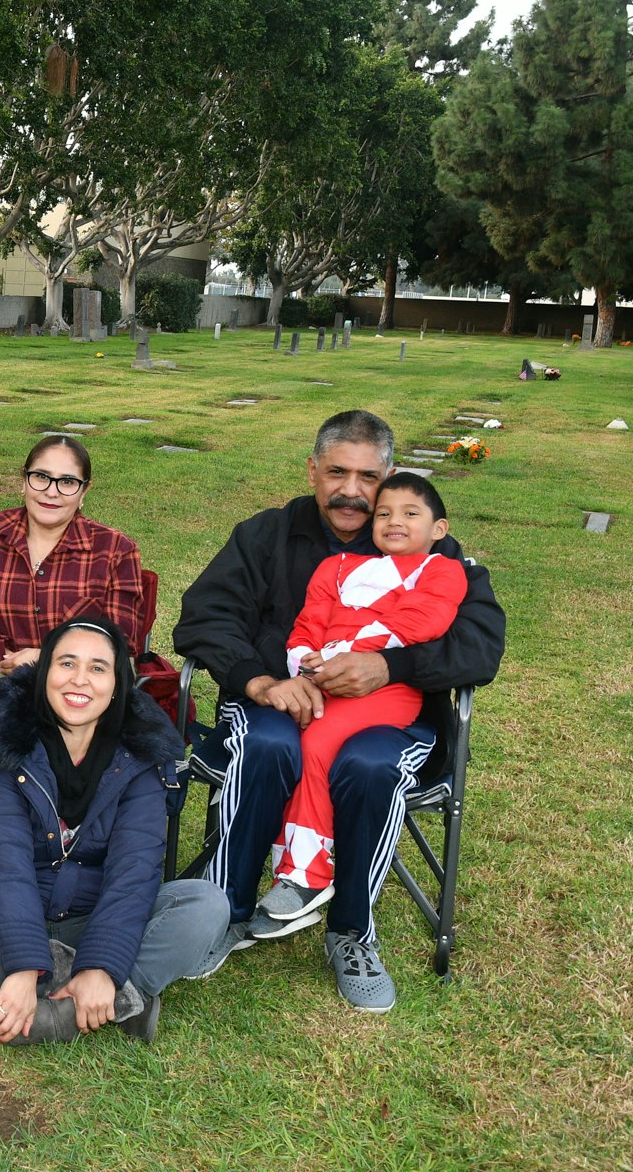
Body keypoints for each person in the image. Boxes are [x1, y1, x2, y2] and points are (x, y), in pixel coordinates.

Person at [173, 410, 505, 1011]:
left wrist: (391, 666)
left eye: (368, 477)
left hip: (389, 719)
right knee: (270, 743)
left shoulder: (434, 549)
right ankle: (222, 911)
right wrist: (261, 681)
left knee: (370, 764)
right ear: (312, 470)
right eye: (336, 473)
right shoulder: (267, 535)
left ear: (390, 478)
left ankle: (351, 931)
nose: (351, 492)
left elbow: (481, 645)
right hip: (276, 704)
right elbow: (203, 617)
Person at [0, 618, 227, 1044]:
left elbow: (135, 869)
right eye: (67, 663)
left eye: (98, 668)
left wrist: (101, 963)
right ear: (45, 670)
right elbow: (5, 861)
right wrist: (23, 963)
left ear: (118, 682)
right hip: (16, 911)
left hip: (100, 914)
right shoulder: (5, 739)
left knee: (207, 905)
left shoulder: (141, 753)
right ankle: (119, 998)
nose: (80, 680)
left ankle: (70, 1005)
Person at [251, 474, 467, 942]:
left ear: (439, 528)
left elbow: (421, 622)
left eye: (412, 514)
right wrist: (303, 663)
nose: (395, 521)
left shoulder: (441, 570)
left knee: (317, 740)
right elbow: (310, 620)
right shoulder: (339, 566)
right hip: (321, 679)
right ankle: (284, 871)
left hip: (386, 690)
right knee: (284, 742)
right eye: (384, 512)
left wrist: (344, 653)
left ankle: (305, 877)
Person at [0, 436, 144, 811]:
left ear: (84, 491)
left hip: (78, 676)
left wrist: (49, 659)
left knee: (88, 713)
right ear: (24, 480)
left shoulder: (115, 549)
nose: (52, 492)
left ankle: (67, 823)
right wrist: (4, 655)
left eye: (67, 482)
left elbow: (121, 635)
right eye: (41, 477)